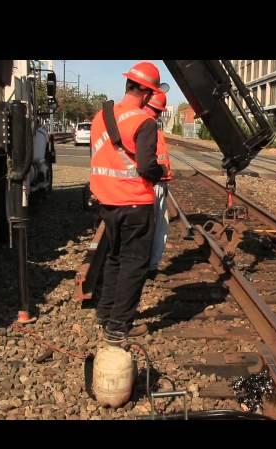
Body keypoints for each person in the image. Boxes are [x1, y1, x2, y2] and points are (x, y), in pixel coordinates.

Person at [89, 62, 165, 341]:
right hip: (135, 202)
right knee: (134, 264)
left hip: (107, 201)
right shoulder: (144, 122)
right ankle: (119, 326)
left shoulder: (101, 117)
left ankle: (105, 312)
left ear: (128, 85)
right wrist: (160, 173)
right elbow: (146, 167)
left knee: (115, 258)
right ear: (146, 92)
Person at [143, 91, 173, 278]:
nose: (158, 114)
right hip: (150, 183)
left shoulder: (151, 126)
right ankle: (149, 267)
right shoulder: (146, 126)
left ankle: (148, 266)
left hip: (156, 183)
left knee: (155, 227)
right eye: (157, 110)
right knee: (156, 227)